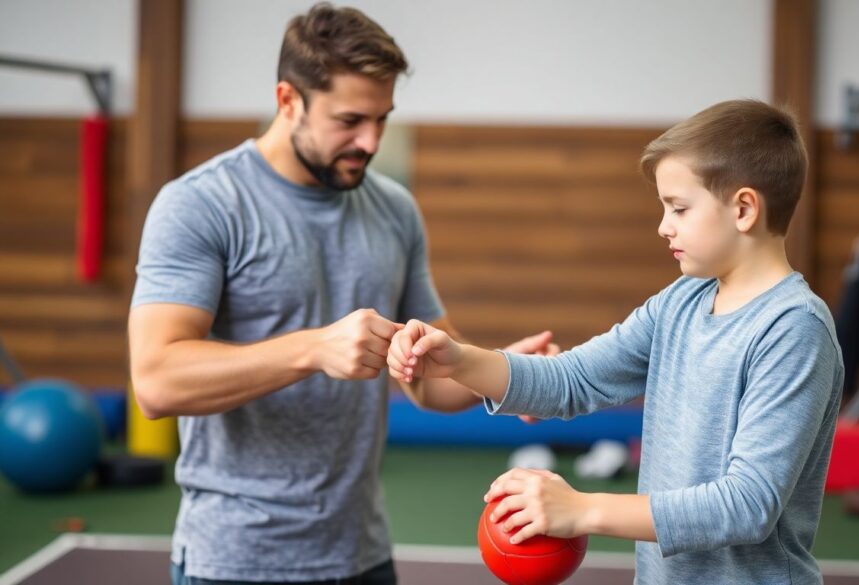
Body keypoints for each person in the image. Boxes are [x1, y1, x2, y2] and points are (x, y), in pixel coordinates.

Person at [127, 4, 555, 584]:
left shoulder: (393, 209)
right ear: (288, 101)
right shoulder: (201, 204)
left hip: (362, 555)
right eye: (350, 119)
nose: (370, 141)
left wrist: (506, 374)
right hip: (235, 561)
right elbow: (155, 381)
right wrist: (312, 350)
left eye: (382, 119)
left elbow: (428, 378)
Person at [388, 99, 845, 585]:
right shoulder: (682, 302)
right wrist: (457, 361)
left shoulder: (793, 329)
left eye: (680, 208)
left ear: (744, 209)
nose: (664, 225)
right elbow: (573, 378)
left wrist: (583, 510)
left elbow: (747, 505)